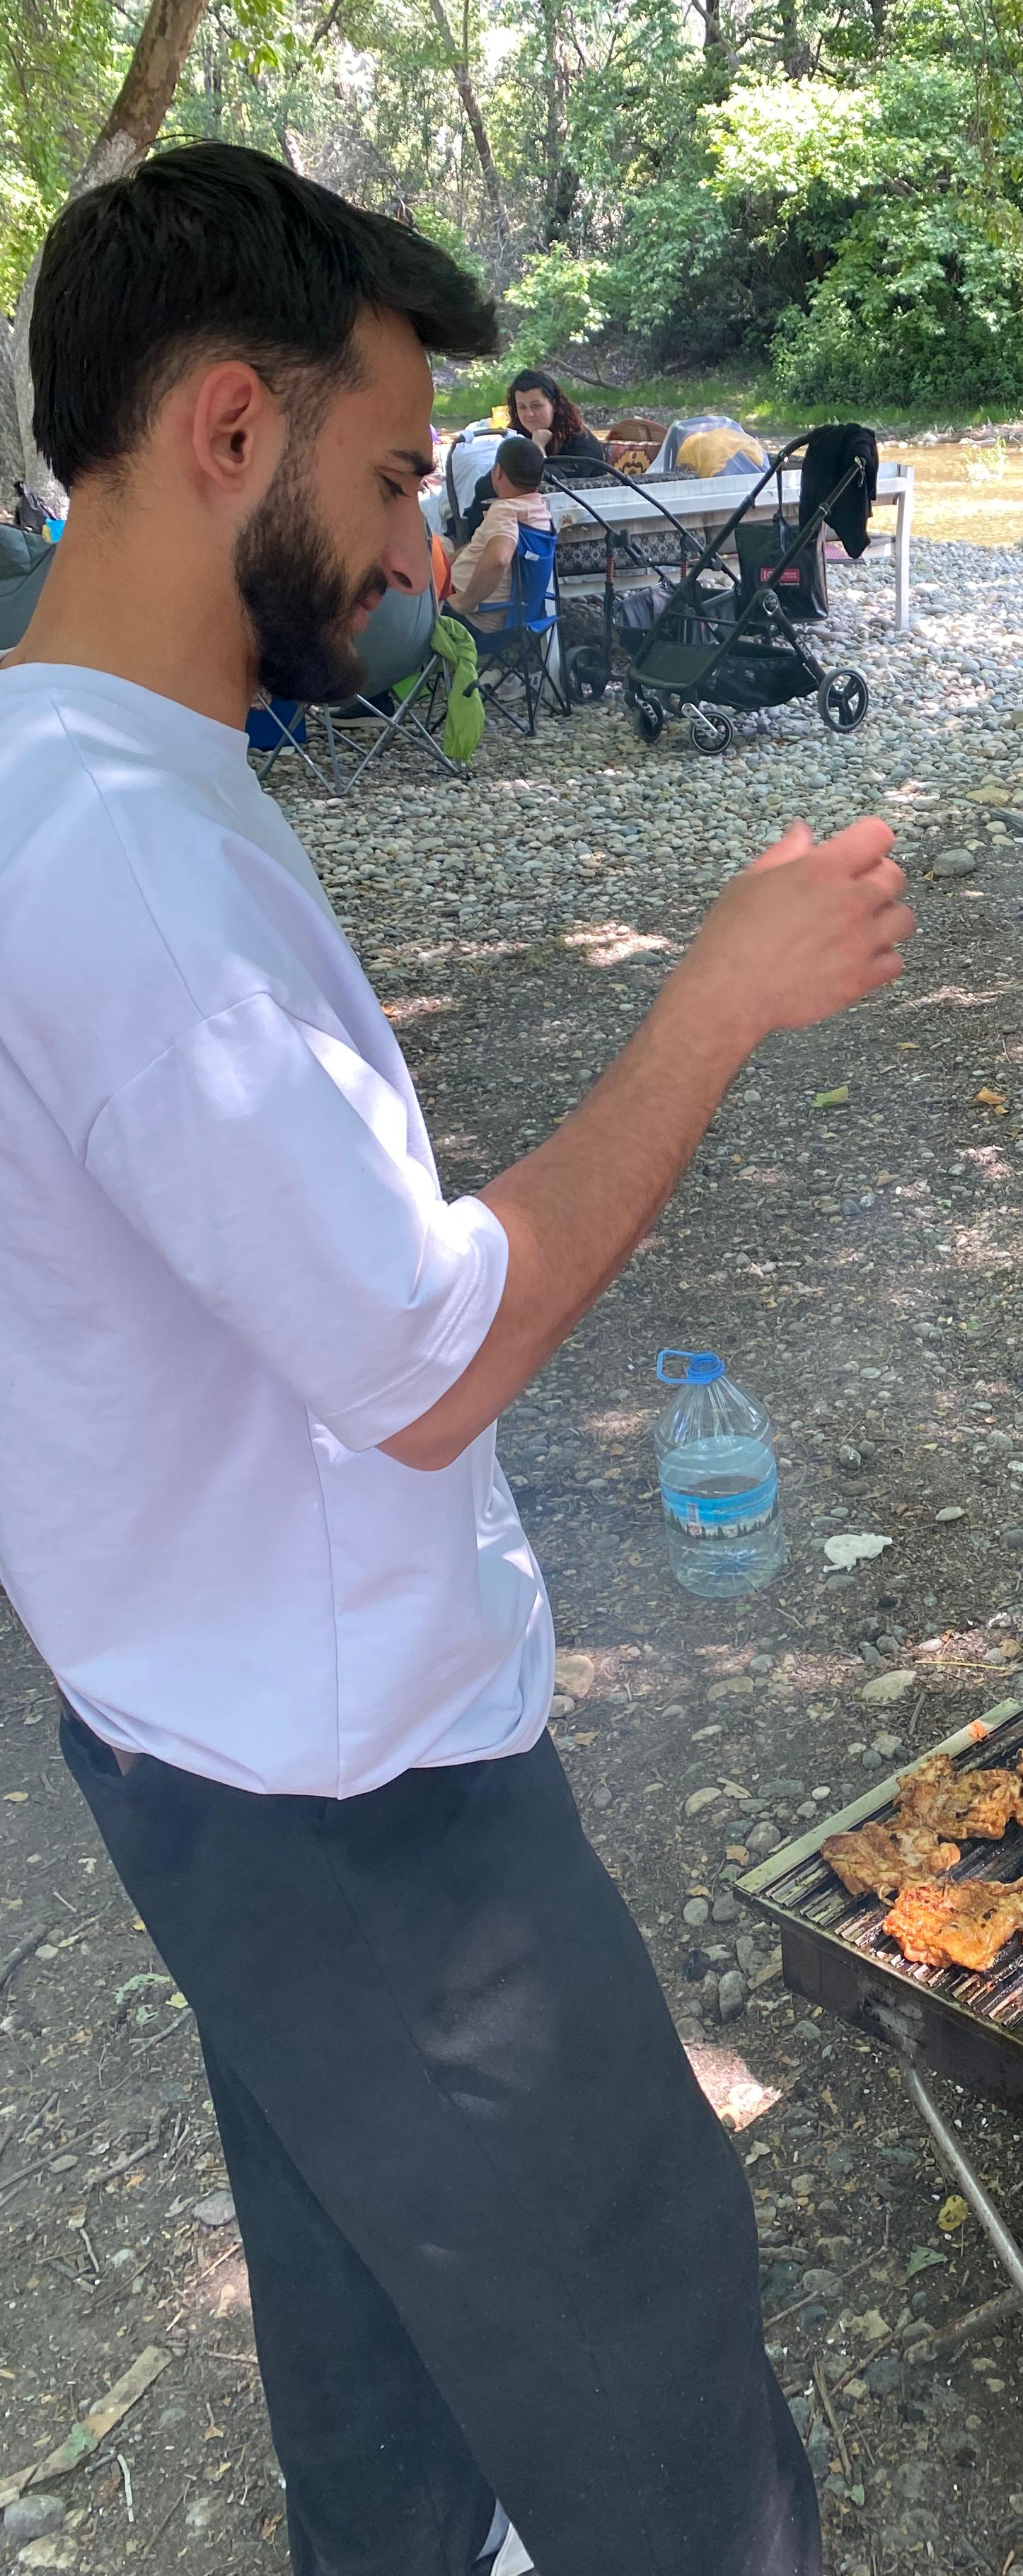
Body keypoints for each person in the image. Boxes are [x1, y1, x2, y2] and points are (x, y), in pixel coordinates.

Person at [0, 140, 914, 2576]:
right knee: (646, 2329)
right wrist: (713, 1005)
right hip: (357, 1801)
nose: (427, 546)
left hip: (183, 1728)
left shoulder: (67, 774)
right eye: (400, 476)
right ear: (228, 429)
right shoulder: (128, 861)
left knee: (366, 2309)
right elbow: (419, 1357)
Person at [457, 369, 607, 536]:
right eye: (522, 407)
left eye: (536, 406)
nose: (529, 414)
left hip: (582, 521)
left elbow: (553, 484)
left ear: (554, 405)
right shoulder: (520, 436)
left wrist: (538, 447)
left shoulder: (580, 442)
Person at [448, 431, 555, 629]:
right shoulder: (540, 513)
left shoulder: (505, 510)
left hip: (473, 620)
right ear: (540, 477)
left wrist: (464, 603)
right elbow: (487, 547)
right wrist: (450, 561)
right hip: (516, 617)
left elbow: (499, 559)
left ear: (497, 472)